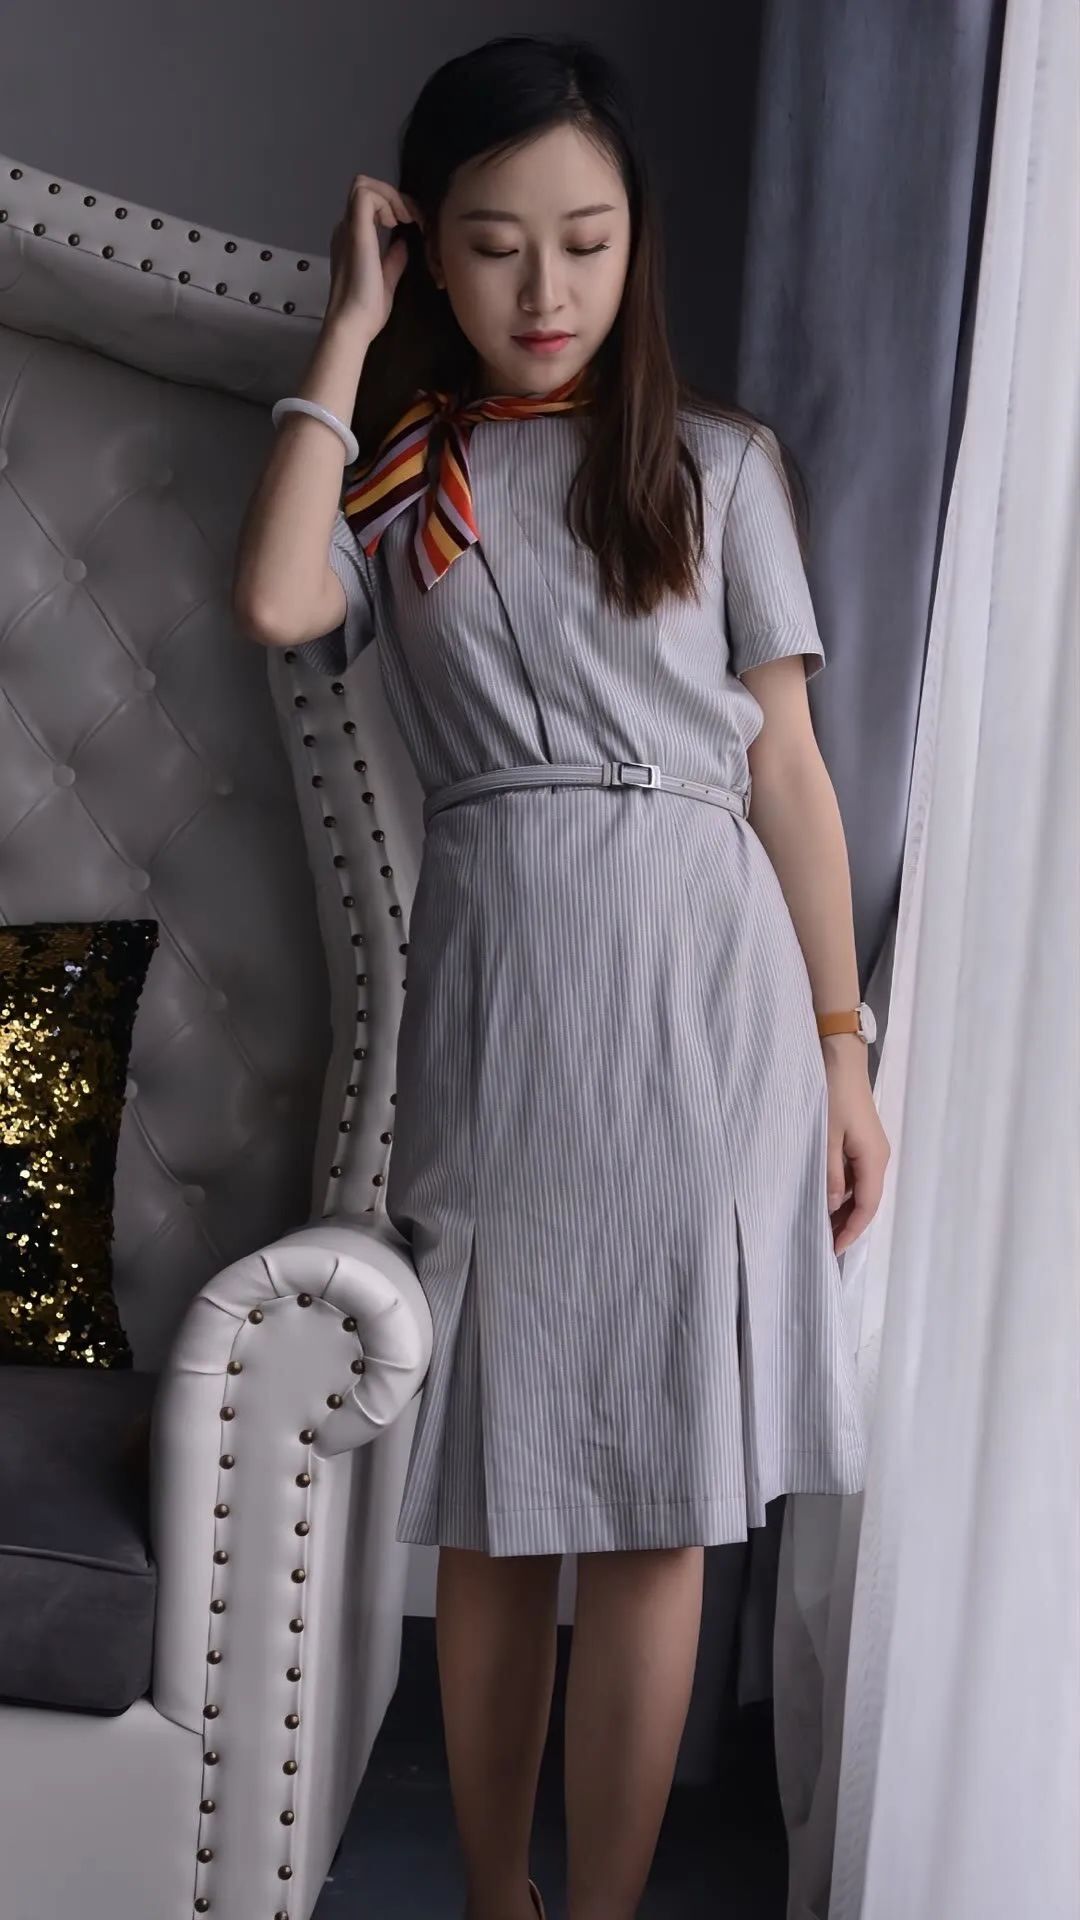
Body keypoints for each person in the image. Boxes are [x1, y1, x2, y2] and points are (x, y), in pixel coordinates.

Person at [232, 32, 891, 1920]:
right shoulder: (400, 481)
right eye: (495, 244)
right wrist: (345, 336)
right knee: (497, 1494)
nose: (546, 290)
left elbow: (789, 776)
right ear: (427, 251)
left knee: (664, 1502)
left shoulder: (719, 467)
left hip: (706, 998)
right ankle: (492, 1897)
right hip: (506, 999)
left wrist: (844, 1052)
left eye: (587, 244)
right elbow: (276, 601)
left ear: (636, 246)